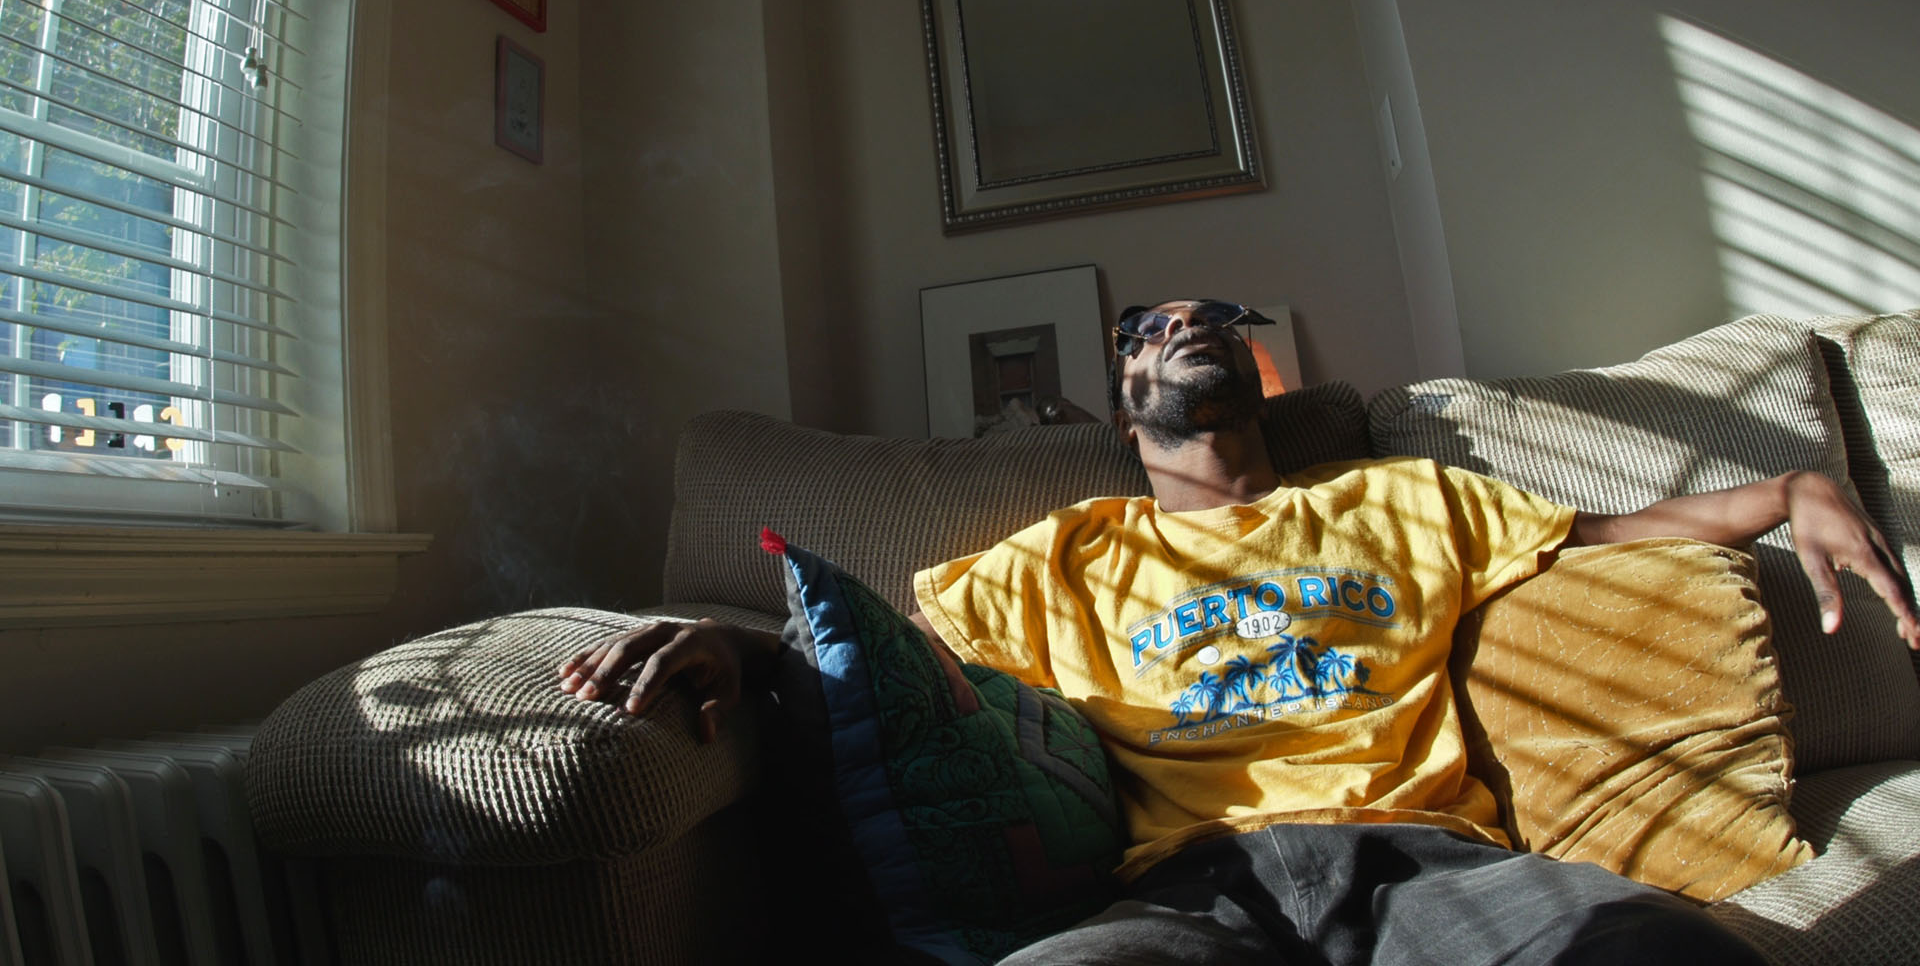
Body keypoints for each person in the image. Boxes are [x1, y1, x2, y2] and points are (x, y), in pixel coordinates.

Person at [558, 298, 1920, 965]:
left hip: (1434, 864)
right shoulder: (1070, 556)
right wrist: (730, 645)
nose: (1189, 325)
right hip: (1189, 887)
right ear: (1122, 391)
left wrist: (1794, 484)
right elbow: (888, 664)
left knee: (1662, 958)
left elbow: (1611, 537)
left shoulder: (1404, 501)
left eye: (1216, 319)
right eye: (1156, 327)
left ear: (1257, 374)